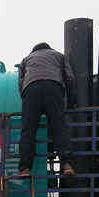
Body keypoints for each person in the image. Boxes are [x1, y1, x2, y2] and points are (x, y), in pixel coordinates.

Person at [17, 43, 75, 177]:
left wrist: (27, 102)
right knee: (59, 127)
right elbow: (70, 78)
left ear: (34, 51)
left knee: (28, 130)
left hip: (31, 89)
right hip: (53, 87)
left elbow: (21, 83)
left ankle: (25, 168)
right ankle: (66, 165)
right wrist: (71, 101)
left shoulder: (26, 59)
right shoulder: (59, 56)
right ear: (49, 48)